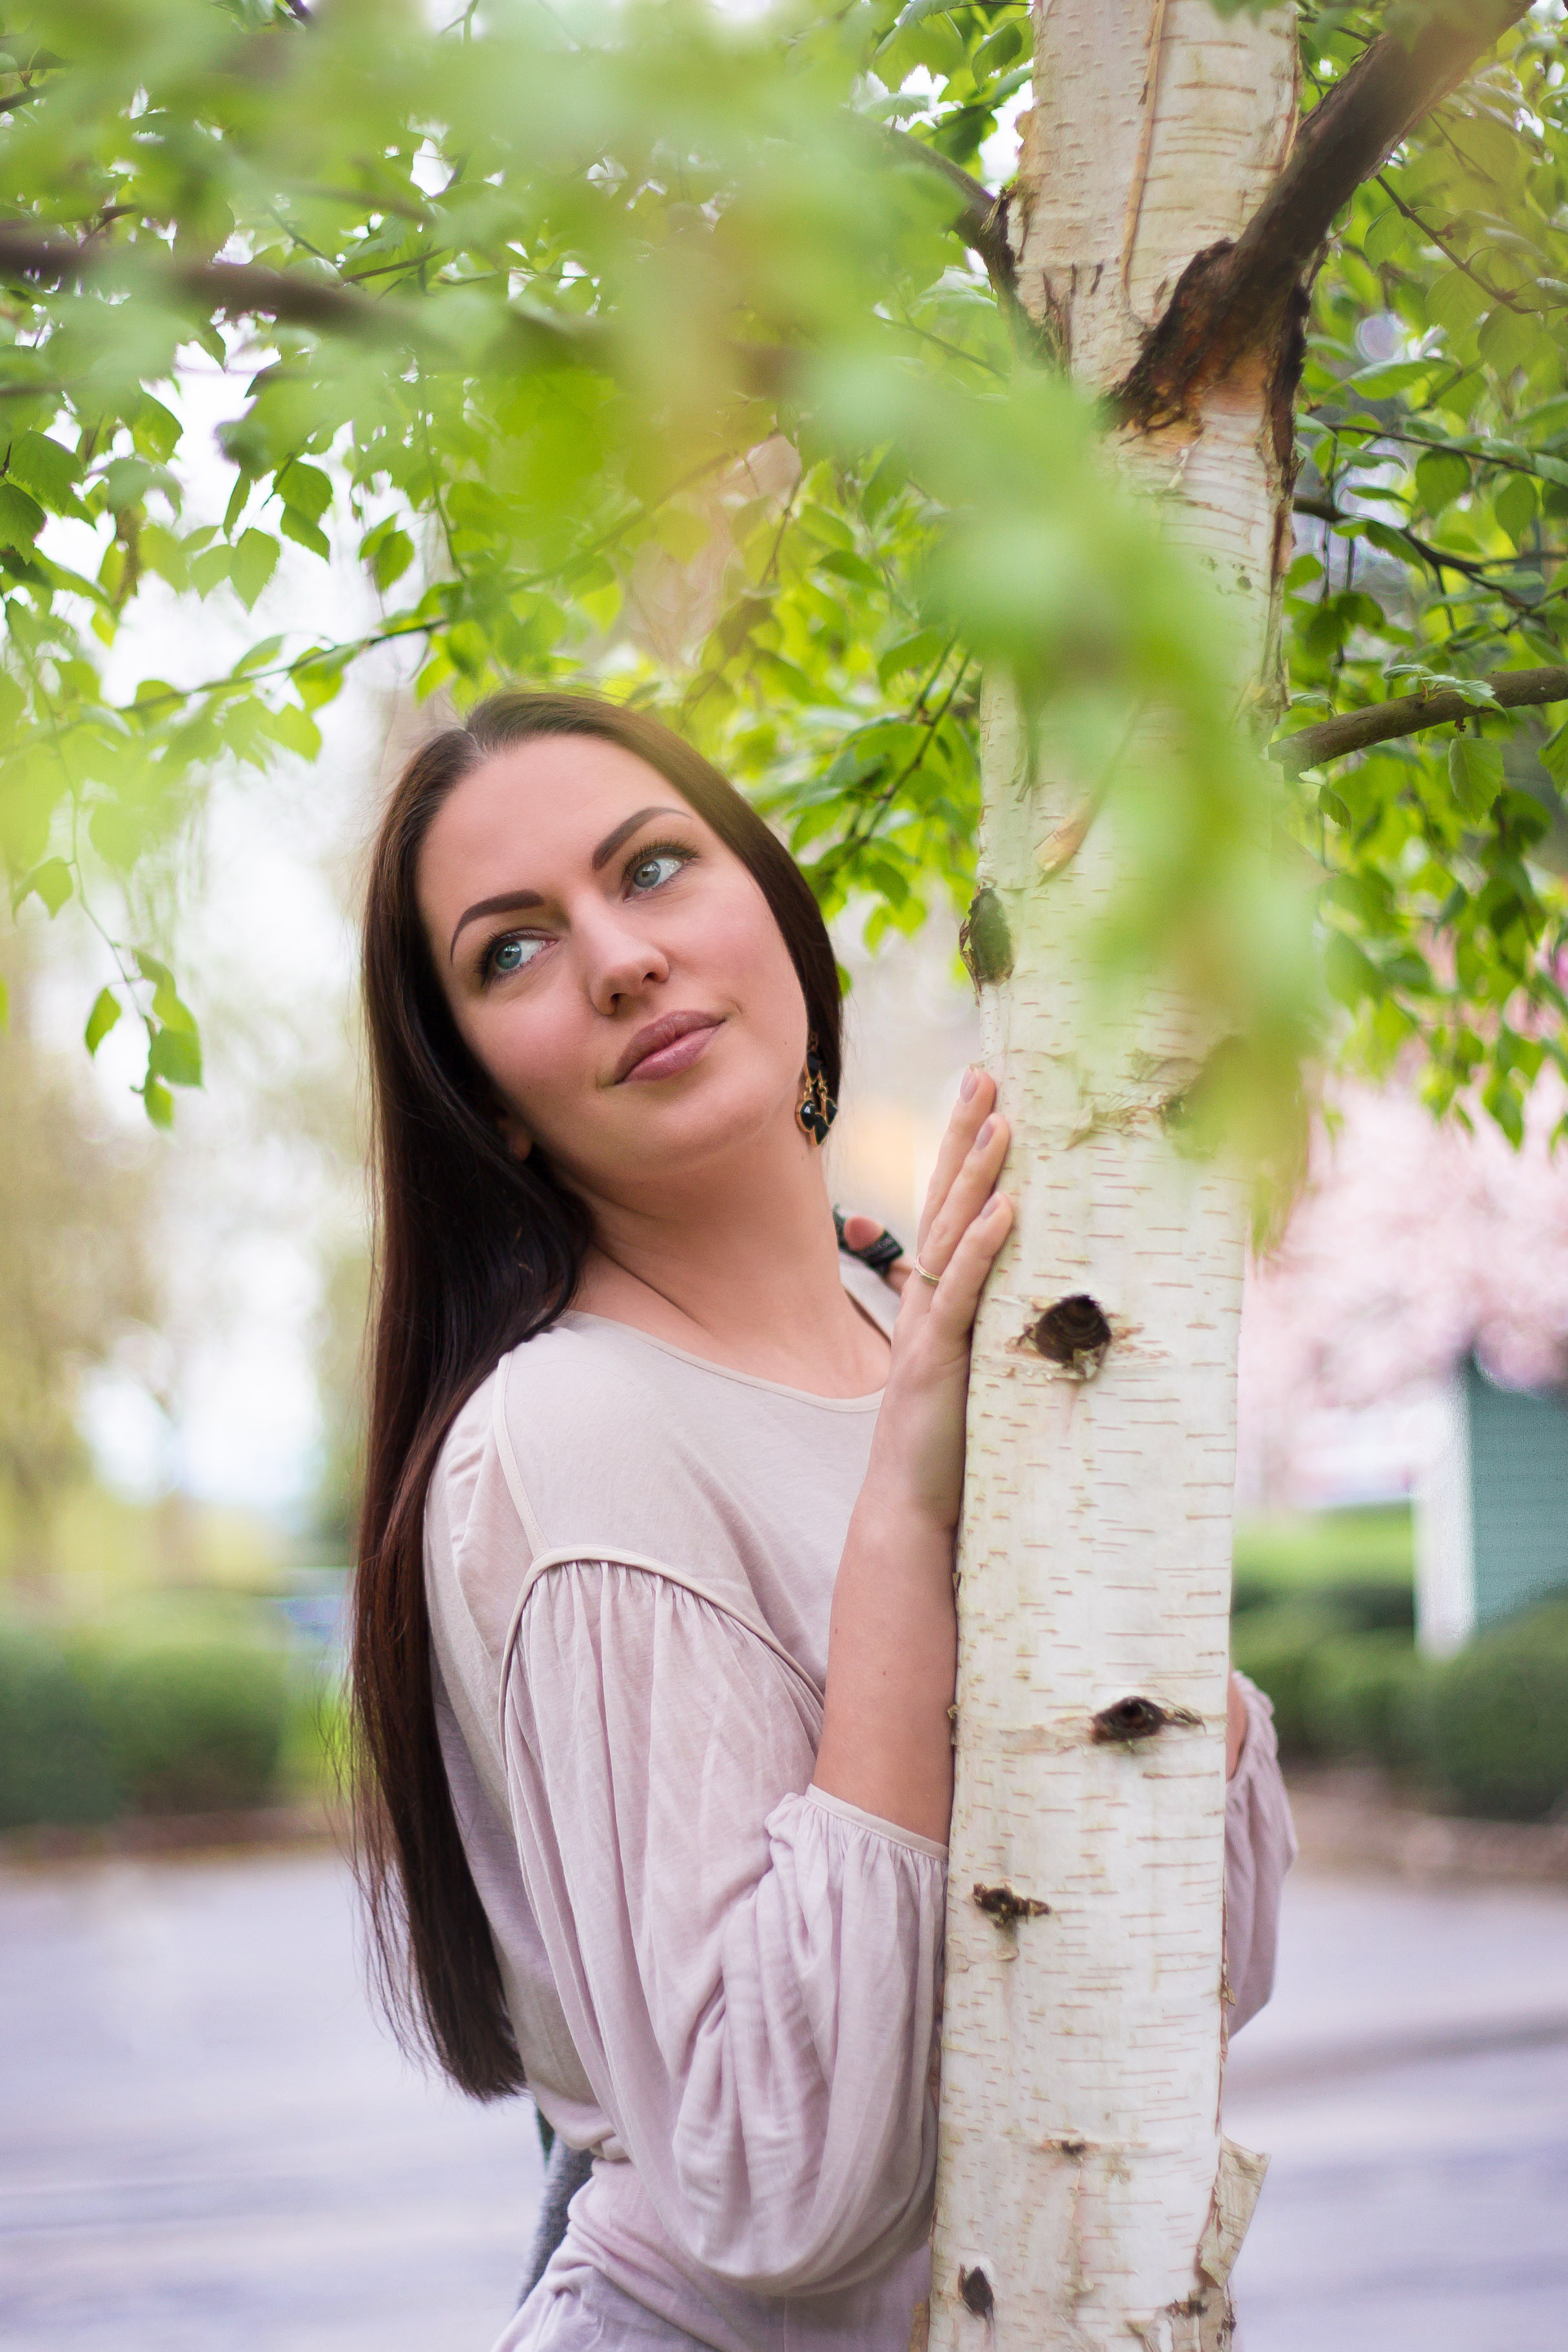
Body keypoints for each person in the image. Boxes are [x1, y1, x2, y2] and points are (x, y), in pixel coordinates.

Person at [350, 689, 1295, 2352]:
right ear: (483, 1101)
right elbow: (779, 2179)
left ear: (782, 922)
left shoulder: (944, 1327)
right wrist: (904, 1518)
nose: (620, 959)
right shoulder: (573, 1440)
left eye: (653, 870)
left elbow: (1179, 1975)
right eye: (511, 952)